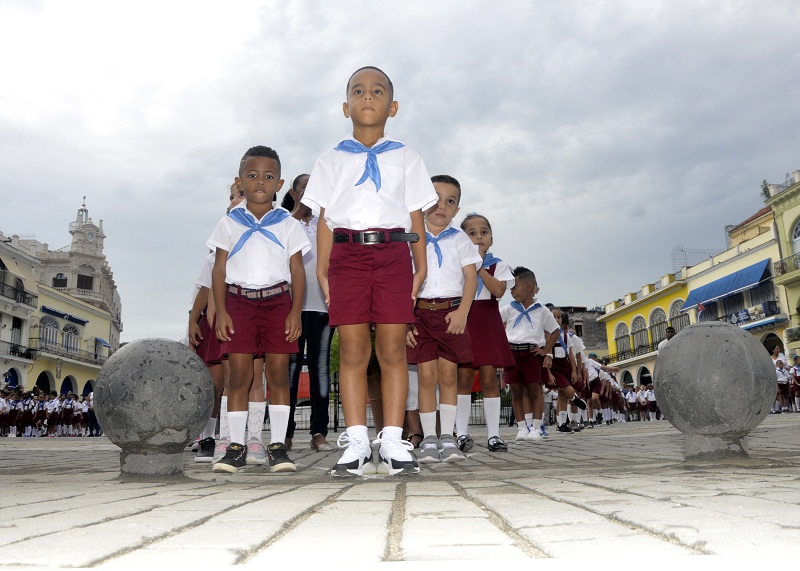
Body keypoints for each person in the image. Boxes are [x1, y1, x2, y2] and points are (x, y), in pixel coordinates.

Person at [302, 66, 437, 476]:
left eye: (377, 91)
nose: (367, 96)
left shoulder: (406, 157)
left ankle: (394, 442)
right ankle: (358, 442)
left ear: (392, 106)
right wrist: (323, 270)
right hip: (347, 257)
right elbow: (325, 220)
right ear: (346, 106)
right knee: (355, 349)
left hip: (394, 254)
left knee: (393, 350)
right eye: (358, 91)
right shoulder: (330, 159)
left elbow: (415, 216)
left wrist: (421, 266)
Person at [208, 145, 310, 474]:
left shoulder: (288, 224)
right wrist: (221, 311)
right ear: (241, 182)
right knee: (239, 377)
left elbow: (297, 272)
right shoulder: (228, 222)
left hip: (278, 302)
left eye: (268, 176)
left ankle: (278, 446)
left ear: (280, 184)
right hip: (238, 303)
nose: (260, 182)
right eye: (252, 176)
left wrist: (295, 312)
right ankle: (235, 446)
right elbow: (219, 270)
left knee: (278, 376)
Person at [407, 175, 480, 464]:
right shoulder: (411, 235)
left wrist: (463, 311)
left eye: (450, 202)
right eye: (436, 198)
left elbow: (471, 278)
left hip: (451, 314)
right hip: (420, 314)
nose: (442, 206)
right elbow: (402, 280)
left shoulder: (460, 239)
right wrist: (405, 320)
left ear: (456, 210)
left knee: (448, 375)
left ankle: (447, 437)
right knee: (426, 377)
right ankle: (428, 439)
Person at [455, 213, 515, 453]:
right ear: (462, 239)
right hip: (464, 319)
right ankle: (461, 434)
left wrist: (479, 267)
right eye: (471, 233)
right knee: (464, 378)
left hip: (487, 319)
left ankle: (494, 435)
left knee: (490, 379)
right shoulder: (455, 263)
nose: (479, 236)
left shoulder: (497, 264)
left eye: (484, 232)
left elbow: (499, 290)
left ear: (491, 238)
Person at [285, 173, 335, 452]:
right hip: (290, 307)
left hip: (323, 305)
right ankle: (286, 433)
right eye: (304, 187)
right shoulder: (282, 222)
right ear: (293, 193)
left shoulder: (326, 224)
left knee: (321, 368)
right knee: (289, 370)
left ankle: (319, 433)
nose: (309, 192)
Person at [500, 267, 560, 442]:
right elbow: (496, 324)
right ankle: (521, 427)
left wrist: (546, 350)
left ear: (528, 286)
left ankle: (535, 426)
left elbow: (554, 331)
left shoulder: (542, 310)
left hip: (532, 353)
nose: (512, 291)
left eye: (514, 286)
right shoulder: (508, 308)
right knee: (516, 391)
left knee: (535, 389)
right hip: (512, 352)